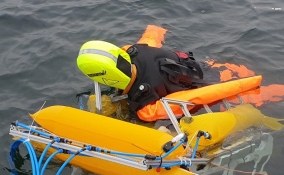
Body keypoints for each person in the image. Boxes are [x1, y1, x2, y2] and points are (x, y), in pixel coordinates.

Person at [77, 40, 211, 121]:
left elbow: (199, 97)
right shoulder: (135, 50)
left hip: (208, 80)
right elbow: (152, 37)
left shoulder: (146, 109)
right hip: (198, 63)